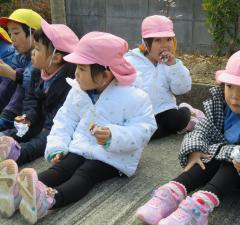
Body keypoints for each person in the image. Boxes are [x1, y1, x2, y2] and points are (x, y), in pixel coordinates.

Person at [0, 32, 157, 223]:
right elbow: (64, 120)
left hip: (115, 156)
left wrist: (113, 136)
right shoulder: (78, 91)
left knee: (85, 174)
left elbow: (144, 129)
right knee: (63, 168)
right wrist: (57, 147)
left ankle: (49, 200)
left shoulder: (136, 97)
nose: (75, 74)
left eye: (82, 69)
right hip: (82, 147)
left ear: (105, 75)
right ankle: (19, 192)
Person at [135, 46, 240, 225]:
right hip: (220, 164)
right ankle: (170, 193)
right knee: (205, 155)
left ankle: (197, 208)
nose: (234, 97)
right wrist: (195, 149)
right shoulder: (221, 104)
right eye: (230, 86)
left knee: (234, 159)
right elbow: (202, 129)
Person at [0, 19, 79, 165]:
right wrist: (28, 117)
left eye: (37, 49)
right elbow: (31, 100)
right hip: (40, 121)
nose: (33, 53)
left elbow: (53, 127)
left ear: (55, 57)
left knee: (39, 141)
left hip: (56, 129)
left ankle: (17, 155)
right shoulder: (37, 73)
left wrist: (22, 153)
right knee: (19, 131)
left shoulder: (68, 84)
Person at [125, 15, 204, 139]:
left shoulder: (173, 64)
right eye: (157, 40)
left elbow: (182, 89)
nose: (165, 45)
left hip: (164, 108)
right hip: (140, 111)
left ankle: (186, 109)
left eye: (168, 39)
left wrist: (174, 66)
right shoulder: (131, 61)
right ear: (145, 43)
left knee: (177, 121)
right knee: (146, 134)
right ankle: (166, 128)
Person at [0, 9, 42, 130]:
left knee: (17, 73)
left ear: (34, 34)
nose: (12, 38)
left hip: (33, 115)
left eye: (16, 33)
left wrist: (13, 74)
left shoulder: (44, 58)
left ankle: (7, 118)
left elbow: (36, 84)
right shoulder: (20, 54)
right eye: (10, 33)